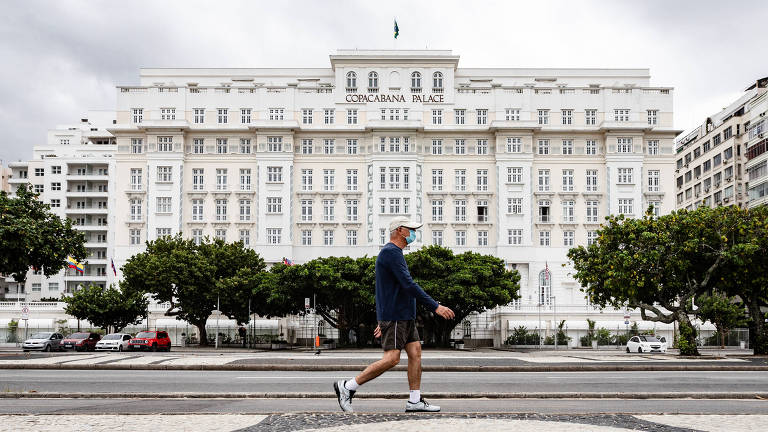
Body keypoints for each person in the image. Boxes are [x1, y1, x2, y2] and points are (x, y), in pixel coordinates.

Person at [334, 216, 455, 413]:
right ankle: (347, 387)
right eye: (411, 229)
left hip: (403, 316)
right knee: (392, 359)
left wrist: (383, 319)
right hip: (397, 317)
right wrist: (435, 307)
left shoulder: (394, 253)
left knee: (415, 353)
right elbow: (408, 285)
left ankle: (414, 401)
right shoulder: (391, 253)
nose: (414, 233)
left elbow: (389, 289)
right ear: (400, 230)